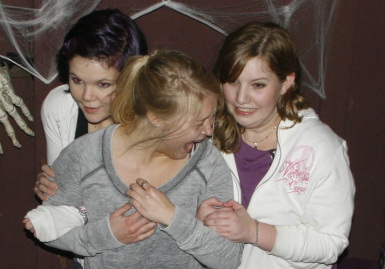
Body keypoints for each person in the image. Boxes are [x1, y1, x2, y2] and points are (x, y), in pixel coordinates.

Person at [24, 49, 243, 269]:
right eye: (198, 123)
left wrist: (173, 217)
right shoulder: (85, 155)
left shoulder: (207, 162)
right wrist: (107, 234)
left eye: (211, 118)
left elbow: (228, 259)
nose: (208, 131)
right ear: (156, 118)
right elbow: (47, 227)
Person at [196, 21, 355, 269]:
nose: (240, 98)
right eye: (232, 81)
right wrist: (197, 222)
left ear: (286, 83)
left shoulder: (321, 147)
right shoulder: (206, 134)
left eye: (258, 85)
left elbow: (330, 243)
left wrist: (254, 232)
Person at [33, 8, 151, 268]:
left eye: (103, 84)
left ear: (131, 77)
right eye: (77, 80)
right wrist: (56, 193)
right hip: (89, 255)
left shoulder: (156, 119)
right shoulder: (60, 107)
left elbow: (151, 219)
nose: (87, 96)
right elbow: (66, 206)